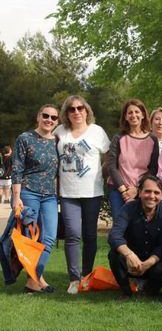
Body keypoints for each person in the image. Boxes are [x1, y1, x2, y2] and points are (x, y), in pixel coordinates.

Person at [55, 95, 110, 295]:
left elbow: (108, 157)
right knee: (72, 234)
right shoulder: (59, 132)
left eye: (80, 108)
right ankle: (73, 279)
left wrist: (100, 174)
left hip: (92, 192)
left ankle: (86, 277)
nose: (76, 112)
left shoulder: (97, 132)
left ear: (87, 111)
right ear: (66, 113)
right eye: (71, 109)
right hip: (68, 192)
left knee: (89, 235)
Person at [10, 104, 60, 293]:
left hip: (49, 196)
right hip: (28, 193)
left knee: (48, 237)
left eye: (54, 118)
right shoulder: (25, 138)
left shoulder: (57, 141)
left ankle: (34, 278)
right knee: (31, 238)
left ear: (57, 122)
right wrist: (16, 197)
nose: (49, 120)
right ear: (38, 117)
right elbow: (17, 168)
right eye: (45, 115)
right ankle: (36, 280)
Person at [107, 175, 162, 298]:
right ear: (140, 192)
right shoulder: (128, 208)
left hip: (153, 263)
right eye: (147, 191)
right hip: (131, 262)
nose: (152, 196)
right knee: (114, 255)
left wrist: (148, 263)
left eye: (156, 192)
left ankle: (150, 290)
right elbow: (114, 235)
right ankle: (126, 292)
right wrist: (129, 254)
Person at [107, 99, 160, 218]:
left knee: (138, 228)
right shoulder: (118, 138)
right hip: (118, 191)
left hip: (141, 191)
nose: (133, 115)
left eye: (137, 112)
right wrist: (124, 191)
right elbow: (111, 166)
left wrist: (137, 189)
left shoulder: (152, 139)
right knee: (120, 227)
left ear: (143, 115)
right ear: (125, 116)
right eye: (130, 113)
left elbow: (153, 169)